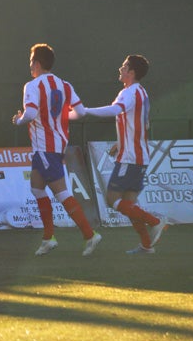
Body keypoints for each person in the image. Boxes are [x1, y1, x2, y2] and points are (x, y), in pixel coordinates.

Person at [12, 44, 101, 256]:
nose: (30, 66)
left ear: (37, 63)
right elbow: (80, 112)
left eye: (31, 61)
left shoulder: (32, 85)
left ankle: (90, 234)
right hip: (55, 146)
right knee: (36, 188)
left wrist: (19, 120)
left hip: (45, 147)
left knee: (61, 193)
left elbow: (30, 114)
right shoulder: (65, 85)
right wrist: (60, 116)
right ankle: (48, 238)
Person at [84, 55, 169, 253]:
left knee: (112, 199)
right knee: (129, 205)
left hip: (130, 158)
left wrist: (86, 110)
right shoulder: (140, 92)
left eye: (124, 66)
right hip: (138, 156)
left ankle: (155, 221)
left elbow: (115, 110)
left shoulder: (130, 92)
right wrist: (120, 142)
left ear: (131, 72)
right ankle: (147, 245)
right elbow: (139, 124)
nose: (120, 69)